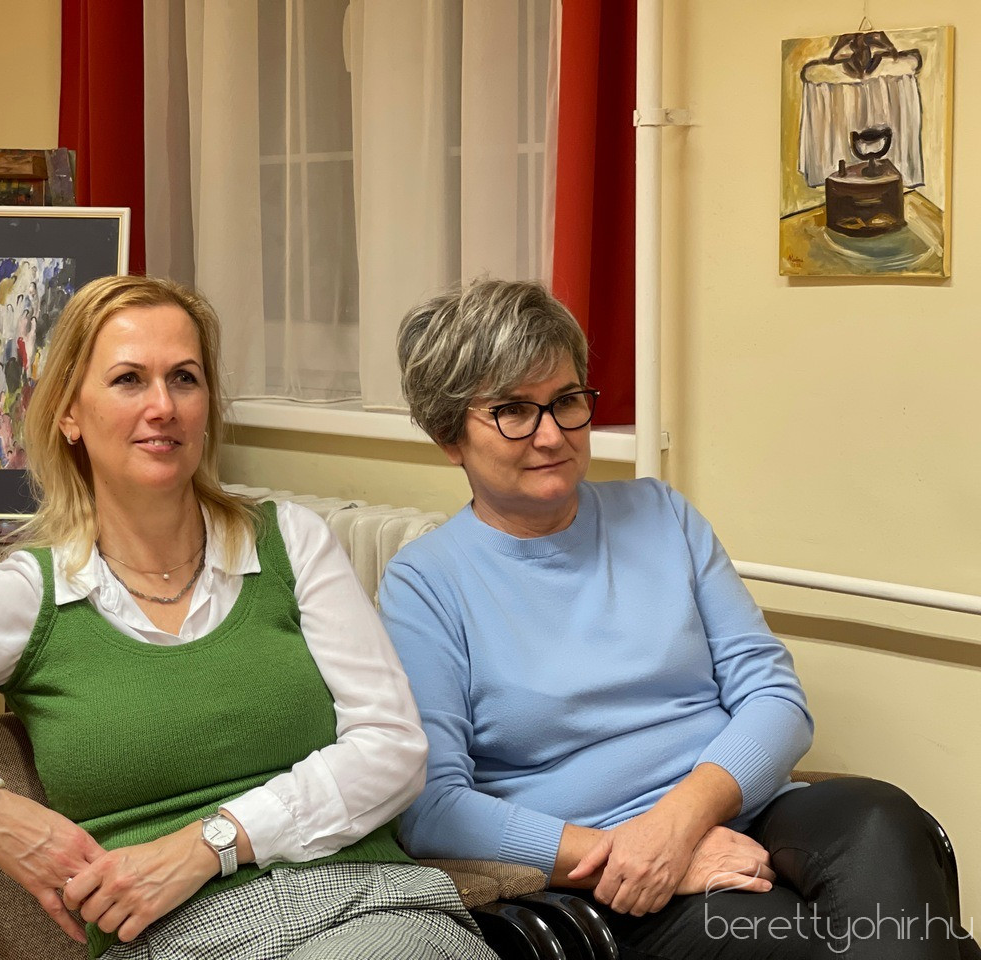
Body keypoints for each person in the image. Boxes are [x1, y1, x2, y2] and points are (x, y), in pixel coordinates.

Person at [0, 275, 498, 960]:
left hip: (370, 908)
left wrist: (211, 844)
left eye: (185, 377)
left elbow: (393, 748)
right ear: (70, 415)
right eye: (128, 379)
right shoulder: (30, 594)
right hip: (174, 942)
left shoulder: (293, 543)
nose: (163, 406)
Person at [379, 278, 978, 960]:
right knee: (871, 942)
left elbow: (775, 698)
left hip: (740, 807)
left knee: (881, 815)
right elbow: (432, 809)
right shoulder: (425, 584)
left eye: (567, 401)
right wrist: (632, 855)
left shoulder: (662, 514)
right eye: (514, 410)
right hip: (606, 875)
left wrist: (677, 827)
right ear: (449, 435)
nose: (551, 435)